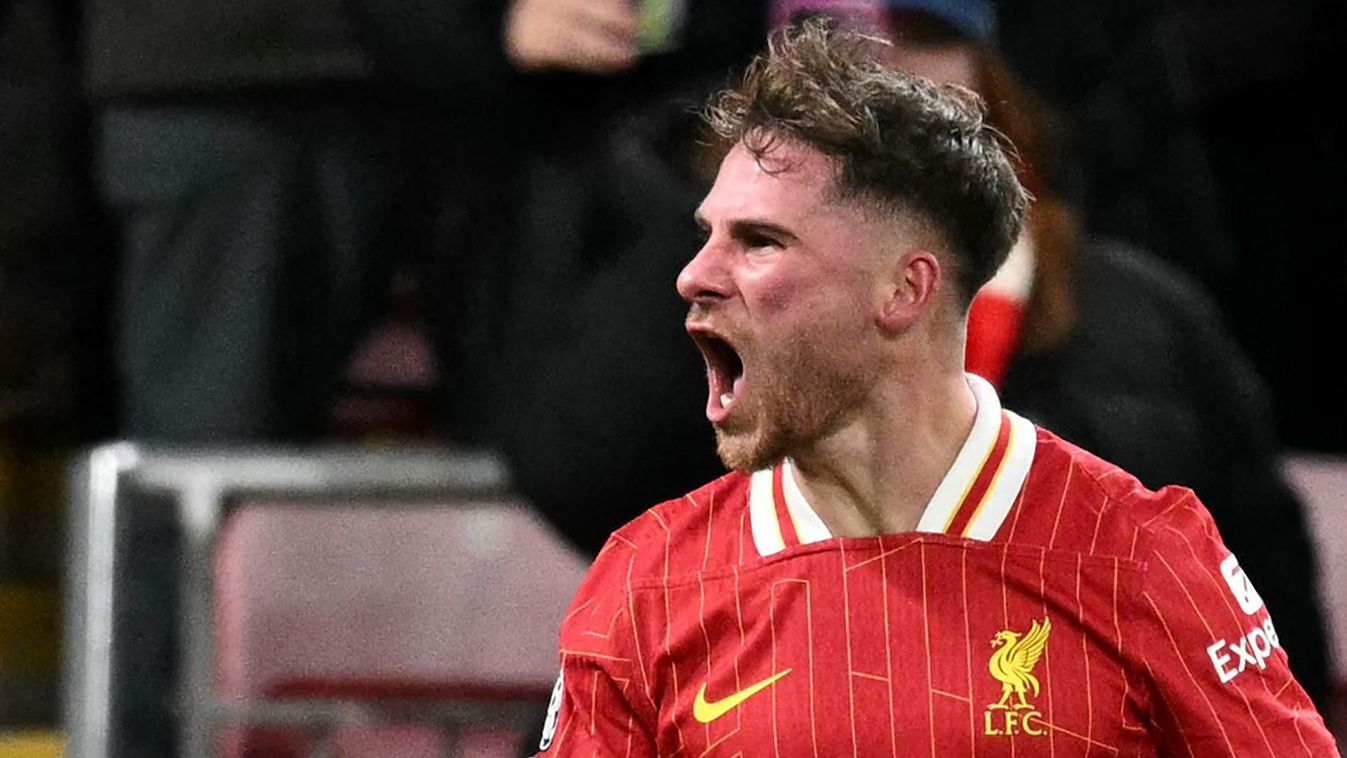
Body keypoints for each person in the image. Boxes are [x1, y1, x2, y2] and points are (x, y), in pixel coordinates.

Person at [536, 21, 1337, 756]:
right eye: (706, 235)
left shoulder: (1139, 554)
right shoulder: (649, 582)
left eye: (760, 242)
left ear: (903, 289)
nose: (692, 276)